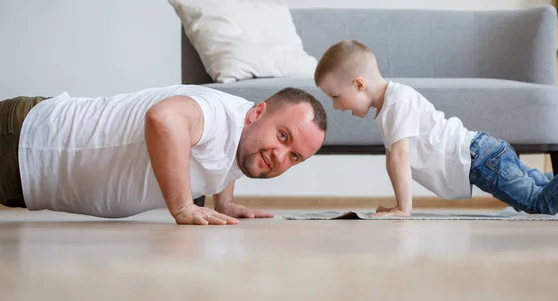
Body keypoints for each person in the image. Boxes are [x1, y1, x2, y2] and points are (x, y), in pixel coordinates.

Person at [313, 40, 558, 217]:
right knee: (557, 194)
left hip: (482, 162)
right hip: (484, 154)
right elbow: (395, 158)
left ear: (359, 84)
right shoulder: (391, 104)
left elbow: (398, 158)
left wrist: (403, 209)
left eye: (335, 97)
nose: (336, 107)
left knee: (540, 204)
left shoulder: (396, 104)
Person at [0, 85, 327, 224]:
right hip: (24, 139)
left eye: (294, 157)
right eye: (283, 136)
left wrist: (223, 202)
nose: (280, 156)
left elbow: (228, 156)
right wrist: (183, 207)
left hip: (34, 179)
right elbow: (164, 119)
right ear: (257, 113)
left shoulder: (247, 135)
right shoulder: (213, 112)